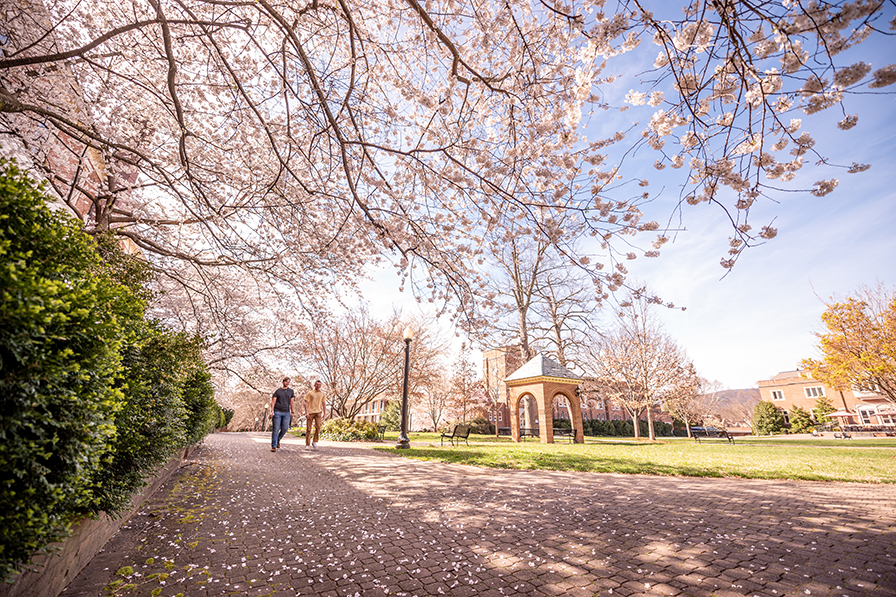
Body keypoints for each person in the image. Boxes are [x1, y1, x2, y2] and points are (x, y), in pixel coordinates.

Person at [270, 377, 294, 452]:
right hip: (277, 412)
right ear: (283, 382)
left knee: (285, 428)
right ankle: (273, 446)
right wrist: (271, 411)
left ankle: (278, 440)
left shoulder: (291, 391)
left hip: (286, 412)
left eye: (288, 382)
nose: (287, 383)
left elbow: (292, 402)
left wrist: (292, 412)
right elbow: (273, 402)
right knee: (276, 429)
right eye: (286, 381)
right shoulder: (278, 391)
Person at [304, 380, 327, 449]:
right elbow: (306, 403)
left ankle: (314, 441)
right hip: (310, 412)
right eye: (317, 384)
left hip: (318, 412)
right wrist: (306, 412)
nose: (318, 386)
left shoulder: (322, 394)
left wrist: (324, 413)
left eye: (319, 385)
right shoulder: (310, 393)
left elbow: (324, 403)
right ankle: (307, 444)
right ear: (314, 385)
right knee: (308, 429)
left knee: (318, 426)